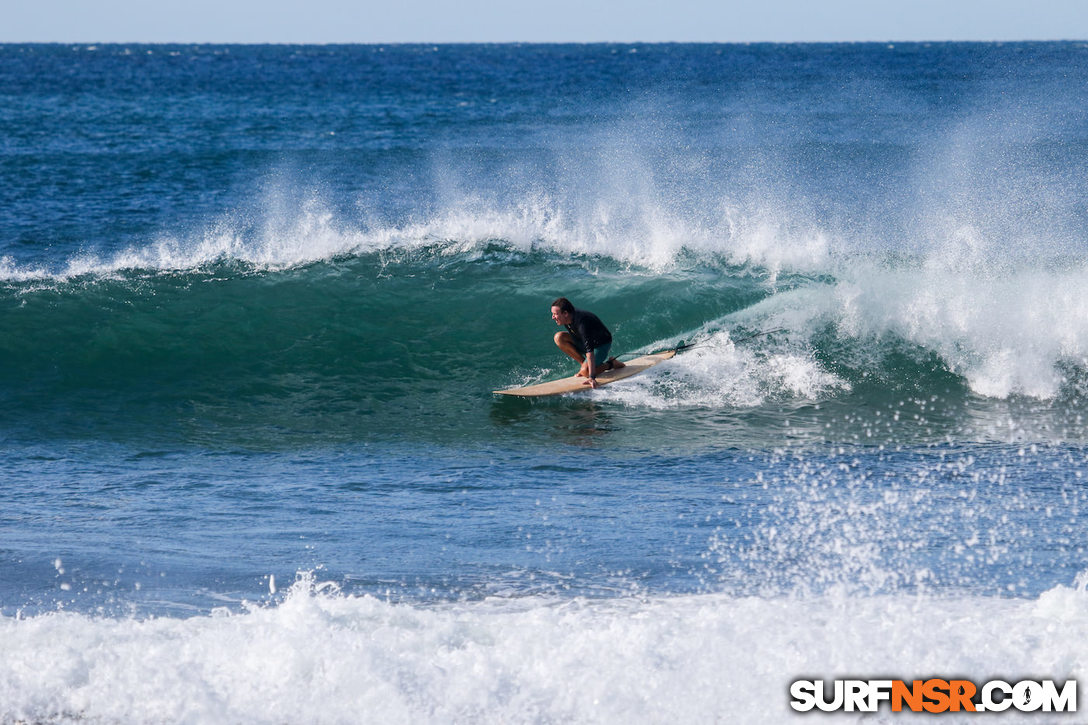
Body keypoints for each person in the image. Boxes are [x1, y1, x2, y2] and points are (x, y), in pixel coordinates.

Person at [550, 297, 625, 388]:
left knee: (586, 372)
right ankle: (584, 366)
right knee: (559, 337)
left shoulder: (582, 322)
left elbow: (590, 351)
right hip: (584, 341)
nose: (553, 317)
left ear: (565, 313)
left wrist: (592, 377)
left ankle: (611, 364)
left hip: (600, 344)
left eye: (555, 314)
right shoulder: (567, 318)